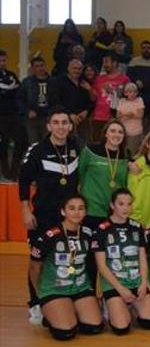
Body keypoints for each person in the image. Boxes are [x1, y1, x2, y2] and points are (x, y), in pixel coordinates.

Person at [19, 110, 81, 322]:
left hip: (69, 218)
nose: (61, 127)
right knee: (39, 260)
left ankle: (60, 297)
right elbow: (24, 180)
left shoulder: (76, 147)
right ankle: (35, 302)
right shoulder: (37, 150)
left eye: (65, 122)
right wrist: (25, 209)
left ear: (70, 126)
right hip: (43, 216)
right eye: (56, 123)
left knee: (64, 257)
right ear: (48, 126)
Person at [28, 194, 103, 340]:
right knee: (66, 333)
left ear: (85, 212)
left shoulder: (88, 233)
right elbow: (34, 267)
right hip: (54, 288)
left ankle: (70, 308)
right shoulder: (50, 235)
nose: (77, 212)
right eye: (72, 208)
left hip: (80, 287)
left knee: (94, 327)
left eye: (81, 208)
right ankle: (51, 313)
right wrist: (40, 294)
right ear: (63, 211)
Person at [93, 188, 150, 335]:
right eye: (121, 204)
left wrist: (143, 283)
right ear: (112, 205)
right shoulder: (101, 229)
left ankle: (130, 306)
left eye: (129, 204)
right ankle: (111, 305)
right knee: (121, 328)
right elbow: (101, 266)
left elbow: (142, 258)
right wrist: (120, 289)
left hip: (135, 280)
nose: (126, 208)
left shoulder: (137, 227)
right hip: (115, 284)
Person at [78, 120, 129, 228]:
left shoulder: (126, 156)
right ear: (105, 133)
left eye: (120, 132)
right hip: (92, 208)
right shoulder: (90, 151)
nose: (116, 134)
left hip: (115, 211)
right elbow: (79, 173)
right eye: (113, 131)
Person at [50, 58, 92, 143]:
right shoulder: (58, 82)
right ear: (68, 68)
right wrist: (69, 114)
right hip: (65, 122)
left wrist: (86, 111)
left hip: (82, 121)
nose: (77, 71)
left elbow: (91, 101)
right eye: (74, 68)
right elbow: (55, 101)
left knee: (83, 146)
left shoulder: (84, 82)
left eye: (79, 69)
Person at [91, 53, 130, 142]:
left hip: (115, 117)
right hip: (98, 117)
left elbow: (129, 98)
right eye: (103, 62)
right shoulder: (99, 78)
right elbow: (93, 98)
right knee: (97, 143)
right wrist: (90, 89)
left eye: (106, 62)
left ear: (115, 63)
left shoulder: (124, 79)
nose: (104, 65)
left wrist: (113, 92)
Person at [18, 56, 54, 144]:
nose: (40, 68)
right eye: (37, 66)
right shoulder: (27, 82)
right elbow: (19, 99)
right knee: (33, 143)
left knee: (48, 143)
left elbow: (58, 99)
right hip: (32, 119)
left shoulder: (53, 81)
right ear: (33, 68)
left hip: (48, 117)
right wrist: (27, 111)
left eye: (42, 65)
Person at [0, 50, 23, 181]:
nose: (2, 63)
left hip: (14, 116)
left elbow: (17, 92)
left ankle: (14, 170)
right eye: (0, 60)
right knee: (2, 145)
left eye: (4, 60)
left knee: (21, 141)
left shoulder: (11, 75)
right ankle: (5, 171)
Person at [116, 83, 145, 156]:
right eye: (130, 92)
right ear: (125, 93)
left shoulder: (139, 100)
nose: (133, 94)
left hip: (135, 132)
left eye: (135, 92)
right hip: (123, 131)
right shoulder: (121, 101)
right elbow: (118, 115)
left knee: (132, 152)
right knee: (122, 152)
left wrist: (129, 115)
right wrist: (127, 115)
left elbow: (140, 114)